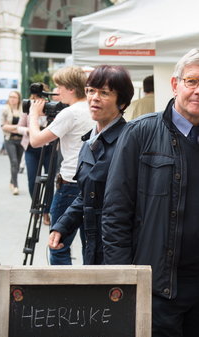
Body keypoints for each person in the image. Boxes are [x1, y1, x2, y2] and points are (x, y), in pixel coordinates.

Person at [102, 49, 199, 337]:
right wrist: (124, 282)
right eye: (192, 81)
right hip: (157, 287)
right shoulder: (139, 134)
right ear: (175, 84)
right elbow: (115, 214)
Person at [49, 65, 134, 265]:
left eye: (104, 93)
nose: (94, 97)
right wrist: (63, 225)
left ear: (121, 102)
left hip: (117, 253)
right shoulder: (89, 141)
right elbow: (87, 194)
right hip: (94, 246)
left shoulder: (129, 143)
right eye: (90, 90)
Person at [29, 66, 95, 265]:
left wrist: (34, 115)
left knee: (58, 245)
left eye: (59, 86)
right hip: (92, 184)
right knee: (89, 246)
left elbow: (36, 141)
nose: (56, 91)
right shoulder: (92, 108)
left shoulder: (70, 113)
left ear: (71, 89)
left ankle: (65, 293)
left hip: (70, 185)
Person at [16, 84, 54, 225]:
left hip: (49, 148)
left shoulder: (53, 107)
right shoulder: (28, 107)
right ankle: (36, 206)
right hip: (31, 148)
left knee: (49, 182)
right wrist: (31, 130)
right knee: (32, 181)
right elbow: (19, 127)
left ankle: (46, 211)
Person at [0, 90, 23, 195]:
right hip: (10, 140)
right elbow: (3, 127)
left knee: (17, 164)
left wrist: (12, 127)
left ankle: (11, 181)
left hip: (21, 140)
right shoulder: (5, 110)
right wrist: (17, 128)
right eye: (10, 97)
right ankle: (15, 186)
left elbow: (26, 126)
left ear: (18, 99)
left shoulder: (23, 110)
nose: (12, 99)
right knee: (14, 162)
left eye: (14, 97)